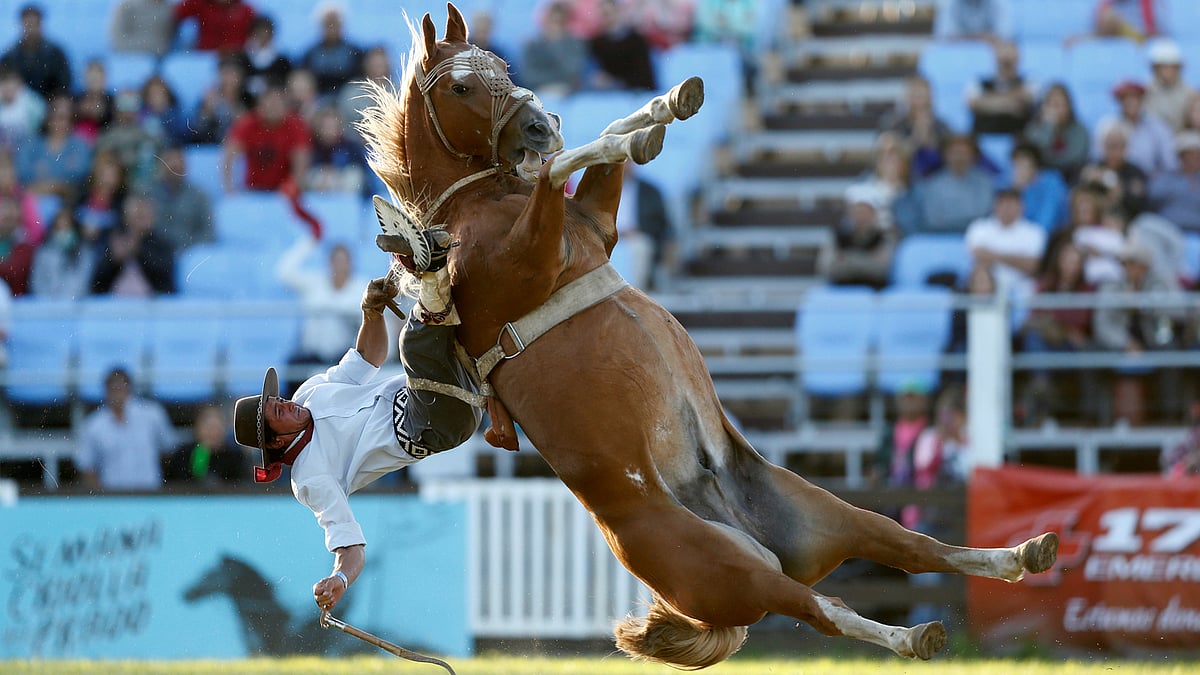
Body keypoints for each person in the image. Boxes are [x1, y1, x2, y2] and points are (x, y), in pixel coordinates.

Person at [232, 268, 482, 613]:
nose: (287, 403)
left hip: (426, 391)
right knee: (411, 338)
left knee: (474, 314)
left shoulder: (308, 392)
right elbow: (350, 546)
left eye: (278, 400)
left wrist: (371, 312)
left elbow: (368, 358)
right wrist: (340, 579)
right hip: (424, 425)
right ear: (276, 443)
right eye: (279, 412)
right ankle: (433, 264)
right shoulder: (309, 480)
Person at [1093, 239, 1184, 425]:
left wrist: (1143, 303)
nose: (1131, 268)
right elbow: (1102, 325)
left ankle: (1170, 416)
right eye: (1127, 263)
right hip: (1122, 345)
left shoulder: (1160, 282)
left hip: (1155, 343)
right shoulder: (1111, 285)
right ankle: (1099, 419)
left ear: (1145, 266)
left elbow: (1180, 312)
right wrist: (1125, 343)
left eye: (1136, 263)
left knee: (1172, 354)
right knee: (1094, 354)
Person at [275, 232, 369, 391]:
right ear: (329, 262)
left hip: (342, 356)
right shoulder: (314, 283)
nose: (339, 265)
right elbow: (284, 272)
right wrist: (309, 242)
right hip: (311, 355)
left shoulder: (362, 288)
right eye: (335, 260)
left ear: (350, 263)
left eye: (343, 261)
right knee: (292, 369)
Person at [1019, 241, 1096, 426]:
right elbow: (1034, 317)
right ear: (1059, 262)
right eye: (1068, 260)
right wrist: (1065, 328)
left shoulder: (1088, 289)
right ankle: (1041, 384)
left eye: (1075, 261)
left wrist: (1053, 319)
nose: (1071, 265)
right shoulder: (1046, 285)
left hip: (1075, 349)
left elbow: (1082, 318)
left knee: (1037, 340)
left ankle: (1041, 386)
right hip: (1049, 344)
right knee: (1033, 337)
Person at [76, 367, 176, 491]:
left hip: (150, 494)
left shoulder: (153, 414)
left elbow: (167, 451)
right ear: (106, 390)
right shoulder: (93, 425)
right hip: (113, 498)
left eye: (121, 387)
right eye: (113, 388)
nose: (118, 393)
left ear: (130, 388)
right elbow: (87, 467)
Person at [964, 188, 1046, 310]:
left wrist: (993, 255)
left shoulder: (1035, 232)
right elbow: (977, 256)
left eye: (1012, 204)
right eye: (1003, 203)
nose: (1007, 209)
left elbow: (1033, 266)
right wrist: (1017, 260)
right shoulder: (979, 228)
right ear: (995, 205)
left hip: (1022, 288)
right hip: (988, 287)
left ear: (1021, 207)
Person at [222, 83, 311, 192]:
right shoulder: (247, 123)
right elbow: (229, 156)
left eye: (277, 103)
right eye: (269, 103)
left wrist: (293, 188)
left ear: (285, 106)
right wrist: (229, 189)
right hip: (254, 191)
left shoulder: (296, 125)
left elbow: (301, 161)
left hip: (283, 192)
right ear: (260, 105)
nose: (273, 108)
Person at [90, 192, 175, 296]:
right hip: (113, 305)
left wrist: (138, 251)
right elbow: (96, 283)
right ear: (125, 215)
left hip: (153, 306)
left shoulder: (162, 242)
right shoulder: (112, 237)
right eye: (138, 215)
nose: (141, 219)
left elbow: (165, 279)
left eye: (145, 214)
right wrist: (114, 260)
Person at [14, 94, 93, 205]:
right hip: (34, 202)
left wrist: (51, 187)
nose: (59, 123)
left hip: (71, 203)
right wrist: (56, 187)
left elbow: (82, 176)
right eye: (55, 117)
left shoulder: (80, 145)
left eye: (64, 118)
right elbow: (22, 174)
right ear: (48, 119)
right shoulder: (31, 144)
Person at [1092, 81, 1177, 176]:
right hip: (1114, 177)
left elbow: (1169, 162)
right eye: (1125, 99)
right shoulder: (1107, 125)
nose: (1129, 102)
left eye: (1134, 98)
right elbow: (1097, 157)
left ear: (1142, 100)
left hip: (1150, 181)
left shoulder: (1157, 127)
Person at [916, 134, 995, 232]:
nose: (959, 157)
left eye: (964, 152)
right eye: (955, 152)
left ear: (973, 155)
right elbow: (933, 219)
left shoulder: (984, 181)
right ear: (945, 155)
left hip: (978, 237)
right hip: (943, 237)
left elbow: (985, 214)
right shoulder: (934, 184)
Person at [879, 76, 953, 178]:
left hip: (936, 179)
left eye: (924, 95)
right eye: (916, 95)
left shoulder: (941, 126)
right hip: (901, 180)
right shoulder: (893, 123)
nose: (921, 101)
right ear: (907, 98)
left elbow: (949, 158)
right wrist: (917, 138)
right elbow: (886, 153)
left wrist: (930, 140)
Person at [827, 184, 896, 290]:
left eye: (865, 211)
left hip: (875, 296)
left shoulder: (885, 237)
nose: (861, 215)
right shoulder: (837, 236)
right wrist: (868, 260)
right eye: (857, 210)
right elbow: (827, 267)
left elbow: (883, 270)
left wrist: (847, 259)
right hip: (842, 293)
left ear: (874, 213)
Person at [148, 145, 214, 251]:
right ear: (160, 165)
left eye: (179, 161)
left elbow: (208, 232)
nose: (174, 164)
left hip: (188, 254)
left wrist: (187, 248)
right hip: (155, 255)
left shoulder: (199, 196)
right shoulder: (149, 194)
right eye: (169, 160)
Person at [0, 4, 71, 100]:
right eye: (28, 24)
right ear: (21, 25)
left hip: (50, 107)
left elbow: (64, 86)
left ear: (41, 25)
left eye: (34, 24)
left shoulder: (56, 54)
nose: (31, 29)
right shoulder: (9, 57)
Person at [165, 404, 249, 485]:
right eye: (209, 427)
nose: (213, 433)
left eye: (217, 427)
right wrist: (202, 453)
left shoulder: (235, 456)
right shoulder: (184, 455)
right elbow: (178, 484)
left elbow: (241, 485)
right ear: (197, 428)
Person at [1023, 83, 1091, 183]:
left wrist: (1050, 162)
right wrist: (1049, 127)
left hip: (1071, 178)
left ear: (1069, 107)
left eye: (1060, 105)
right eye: (1051, 104)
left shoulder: (1080, 130)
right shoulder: (1033, 129)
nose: (1055, 110)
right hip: (1039, 180)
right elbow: (1034, 154)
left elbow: (1075, 159)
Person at [1079, 122, 1150, 218]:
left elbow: (1138, 204)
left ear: (1126, 147)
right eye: (1111, 146)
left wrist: (1118, 190)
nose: (1115, 152)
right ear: (1103, 146)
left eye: (1119, 146)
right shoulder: (1093, 168)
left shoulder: (1135, 173)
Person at [96, 90, 161, 191]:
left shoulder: (148, 135)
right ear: (116, 110)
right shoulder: (108, 135)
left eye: (132, 107)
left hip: (143, 187)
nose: (127, 113)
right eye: (124, 107)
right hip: (115, 189)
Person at [966, 41, 1034, 135]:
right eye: (1002, 51)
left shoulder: (1030, 82)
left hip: (1019, 138)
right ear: (994, 56)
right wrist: (1011, 104)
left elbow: (1025, 103)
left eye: (1009, 52)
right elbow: (973, 104)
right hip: (982, 134)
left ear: (1018, 57)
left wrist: (987, 102)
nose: (1006, 56)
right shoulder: (978, 82)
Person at [520, 1, 588, 97]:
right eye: (553, 21)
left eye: (560, 22)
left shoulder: (575, 43)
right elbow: (528, 76)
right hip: (539, 92)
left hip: (567, 93)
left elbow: (573, 71)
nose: (555, 26)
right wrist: (548, 84)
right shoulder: (533, 45)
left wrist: (557, 43)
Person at [587, 0, 657, 91]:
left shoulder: (636, 41)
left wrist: (616, 83)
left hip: (632, 97)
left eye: (609, 13)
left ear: (619, 12)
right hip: (606, 98)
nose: (607, 18)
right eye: (604, 14)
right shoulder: (597, 43)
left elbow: (645, 78)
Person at [29, 208, 97, 299]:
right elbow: (37, 282)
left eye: (67, 226)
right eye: (59, 227)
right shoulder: (43, 252)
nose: (63, 231)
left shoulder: (85, 252)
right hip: (48, 306)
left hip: (76, 305)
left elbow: (84, 281)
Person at [300, 3, 364, 98]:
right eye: (328, 23)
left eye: (335, 23)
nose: (331, 28)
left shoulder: (355, 53)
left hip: (348, 100)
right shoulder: (310, 54)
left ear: (342, 25)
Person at [188, 54, 251, 145]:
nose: (229, 79)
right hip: (211, 147)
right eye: (225, 73)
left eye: (233, 74)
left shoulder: (249, 98)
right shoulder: (208, 97)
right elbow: (196, 132)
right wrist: (207, 110)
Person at [1148, 130, 1200, 232]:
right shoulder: (1166, 178)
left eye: (1198, 155)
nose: (1195, 158)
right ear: (1181, 156)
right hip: (1168, 232)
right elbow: (1152, 195)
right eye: (1191, 154)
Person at [1010, 143, 1068, 235]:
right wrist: (1016, 192)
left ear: (1035, 164)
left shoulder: (1052, 182)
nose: (1019, 169)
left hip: (1052, 235)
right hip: (1026, 237)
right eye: (1016, 164)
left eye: (1023, 163)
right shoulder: (1014, 186)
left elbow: (1047, 220)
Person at [306, 107, 366, 194]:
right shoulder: (314, 146)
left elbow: (359, 168)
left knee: (353, 176)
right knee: (317, 177)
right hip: (323, 184)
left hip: (343, 182)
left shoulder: (351, 146)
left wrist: (336, 171)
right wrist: (325, 171)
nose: (329, 131)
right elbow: (311, 167)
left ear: (340, 128)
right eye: (326, 127)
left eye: (332, 127)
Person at [236, 15, 292, 101]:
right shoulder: (241, 58)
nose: (263, 39)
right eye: (259, 34)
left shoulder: (282, 61)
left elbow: (286, 86)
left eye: (267, 35)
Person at [1145, 39, 1194, 133]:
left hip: (1182, 140)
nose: (1166, 71)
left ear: (1178, 68)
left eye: (1170, 66)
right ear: (1155, 69)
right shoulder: (1146, 91)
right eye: (1162, 66)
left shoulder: (1190, 93)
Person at [173, 0, 257, 53]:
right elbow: (176, 13)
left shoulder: (246, 10)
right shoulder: (201, 4)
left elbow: (259, 32)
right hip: (206, 57)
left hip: (235, 61)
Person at [0, 62, 45, 148]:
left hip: (27, 149)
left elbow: (41, 122)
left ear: (20, 83)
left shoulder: (31, 102)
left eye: (11, 82)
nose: (8, 87)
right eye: (3, 82)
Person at [109, 0, 176, 57]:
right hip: (128, 58)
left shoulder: (170, 9)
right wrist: (154, 47)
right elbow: (117, 41)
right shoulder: (127, 6)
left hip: (164, 59)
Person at [0, 195, 35, 295]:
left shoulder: (25, 244)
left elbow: (15, 273)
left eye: (13, 212)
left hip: (16, 301)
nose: (9, 215)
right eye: (5, 211)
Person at [73, 59, 114, 143]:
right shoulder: (76, 100)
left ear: (104, 79)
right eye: (91, 78)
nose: (94, 81)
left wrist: (102, 113)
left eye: (97, 78)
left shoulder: (111, 101)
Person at [933, 0, 1011, 42]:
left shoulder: (999, 2)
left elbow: (1005, 36)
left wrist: (964, 37)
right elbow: (943, 37)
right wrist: (983, 36)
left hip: (991, 55)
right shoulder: (949, 3)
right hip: (957, 55)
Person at [1094, 0, 1164, 42]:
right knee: (1109, 16)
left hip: (1139, 34)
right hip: (1120, 29)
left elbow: (1152, 27)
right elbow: (1102, 12)